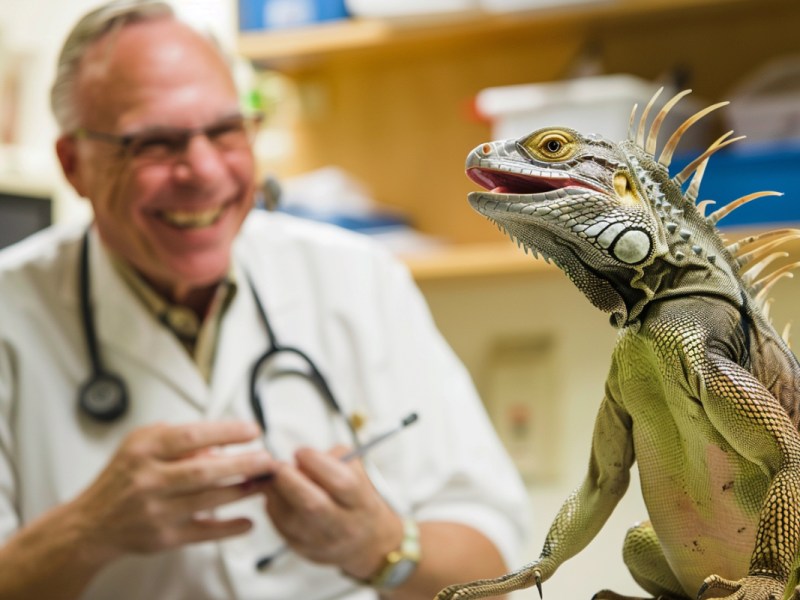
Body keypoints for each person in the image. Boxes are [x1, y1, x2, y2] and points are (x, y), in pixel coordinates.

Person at [0, 1, 530, 598]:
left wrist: (378, 545)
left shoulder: (357, 278)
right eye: (154, 142)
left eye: (226, 129)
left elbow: (497, 561)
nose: (204, 170)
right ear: (75, 165)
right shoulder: (10, 311)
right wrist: (86, 532)